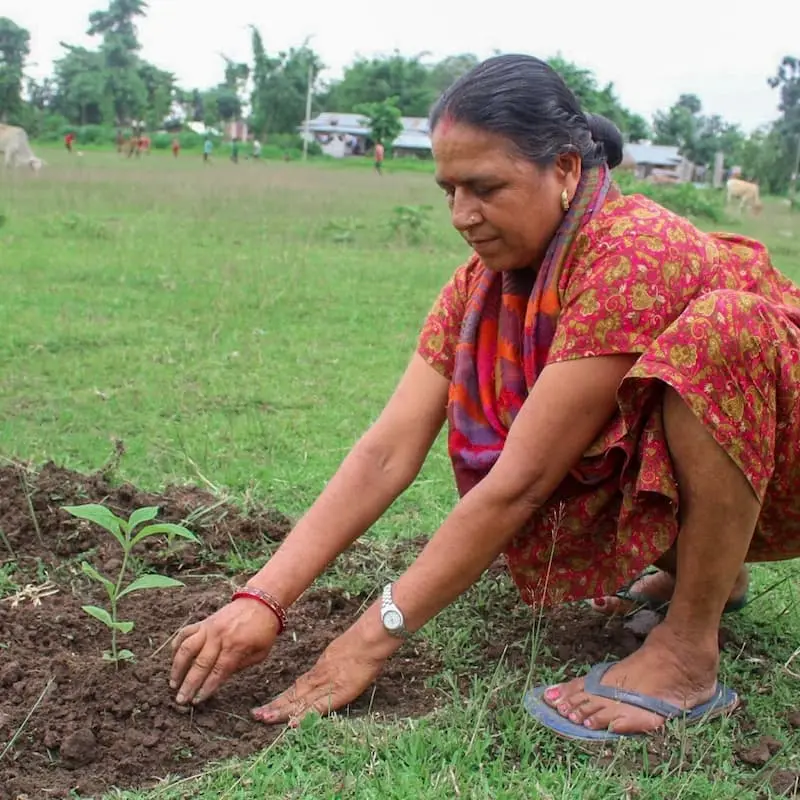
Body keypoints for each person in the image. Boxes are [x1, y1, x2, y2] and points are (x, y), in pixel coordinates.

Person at [169, 54, 800, 741]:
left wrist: (367, 640)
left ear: (563, 170)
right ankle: (714, 575)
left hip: (783, 459)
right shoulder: (480, 287)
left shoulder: (635, 254)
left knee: (719, 336)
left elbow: (521, 484)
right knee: (606, 427)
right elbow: (387, 451)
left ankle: (686, 652)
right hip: (740, 463)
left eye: (485, 187)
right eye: (448, 190)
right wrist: (265, 597)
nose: (462, 215)